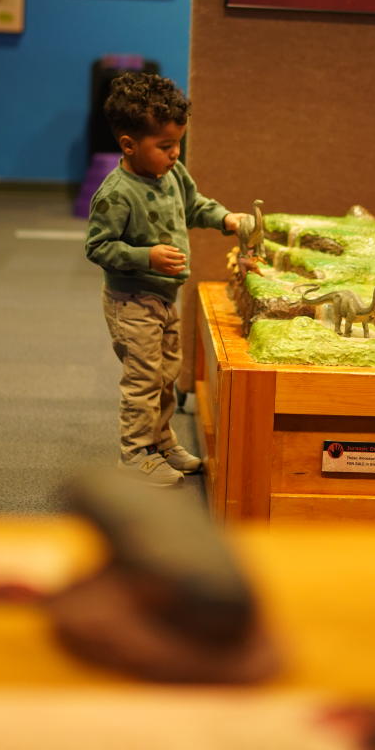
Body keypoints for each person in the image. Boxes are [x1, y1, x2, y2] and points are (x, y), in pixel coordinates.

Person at [85, 72, 246, 486]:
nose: (176, 154)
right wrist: (147, 256)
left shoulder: (173, 174)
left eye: (179, 144)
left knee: (165, 375)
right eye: (165, 146)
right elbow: (98, 248)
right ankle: (134, 455)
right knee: (142, 380)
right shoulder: (117, 193)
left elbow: (195, 205)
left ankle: (161, 442)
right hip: (131, 301)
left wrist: (226, 218)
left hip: (164, 299)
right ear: (129, 145)